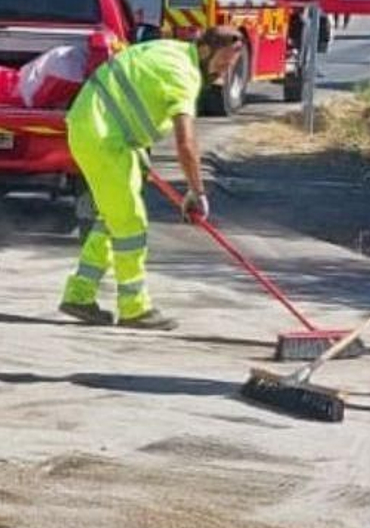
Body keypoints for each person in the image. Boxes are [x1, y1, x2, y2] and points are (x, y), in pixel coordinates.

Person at [58, 27, 247, 330]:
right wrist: (197, 192)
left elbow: (134, 90)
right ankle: (134, 308)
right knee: (130, 224)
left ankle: (80, 295)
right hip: (104, 138)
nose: (224, 75)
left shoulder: (169, 49)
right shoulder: (183, 76)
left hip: (100, 129)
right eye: (223, 65)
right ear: (204, 51)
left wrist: (138, 146)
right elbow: (186, 144)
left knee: (113, 219)